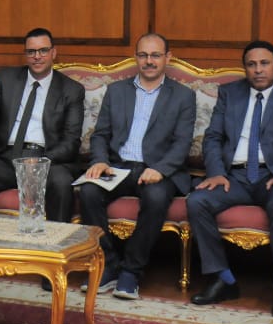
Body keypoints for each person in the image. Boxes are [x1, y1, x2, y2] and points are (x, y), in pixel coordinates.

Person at [187, 40, 273, 319]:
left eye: (264, 63)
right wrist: (217, 173)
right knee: (197, 201)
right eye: (251, 64)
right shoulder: (230, 93)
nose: (258, 70)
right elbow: (213, 137)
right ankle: (222, 279)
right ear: (245, 68)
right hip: (233, 177)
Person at [0, 28, 84, 286]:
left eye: (43, 50)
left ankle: (52, 264)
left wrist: (40, 161)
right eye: (31, 51)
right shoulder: (7, 79)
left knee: (61, 183)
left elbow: (71, 142)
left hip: (47, 159)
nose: (37, 56)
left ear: (53, 53)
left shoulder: (71, 89)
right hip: (6, 157)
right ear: (25, 54)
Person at [78, 33, 195, 300]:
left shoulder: (183, 96)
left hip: (157, 170)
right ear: (136, 57)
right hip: (117, 168)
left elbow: (182, 143)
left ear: (168, 58)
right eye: (143, 55)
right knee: (89, 191)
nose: (149, 61)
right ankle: (108, 264)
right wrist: (99, 161)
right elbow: (100, 134)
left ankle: (131, 271)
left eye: (155, 55)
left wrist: (161, 169)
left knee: (156, 197)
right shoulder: (116, 91)